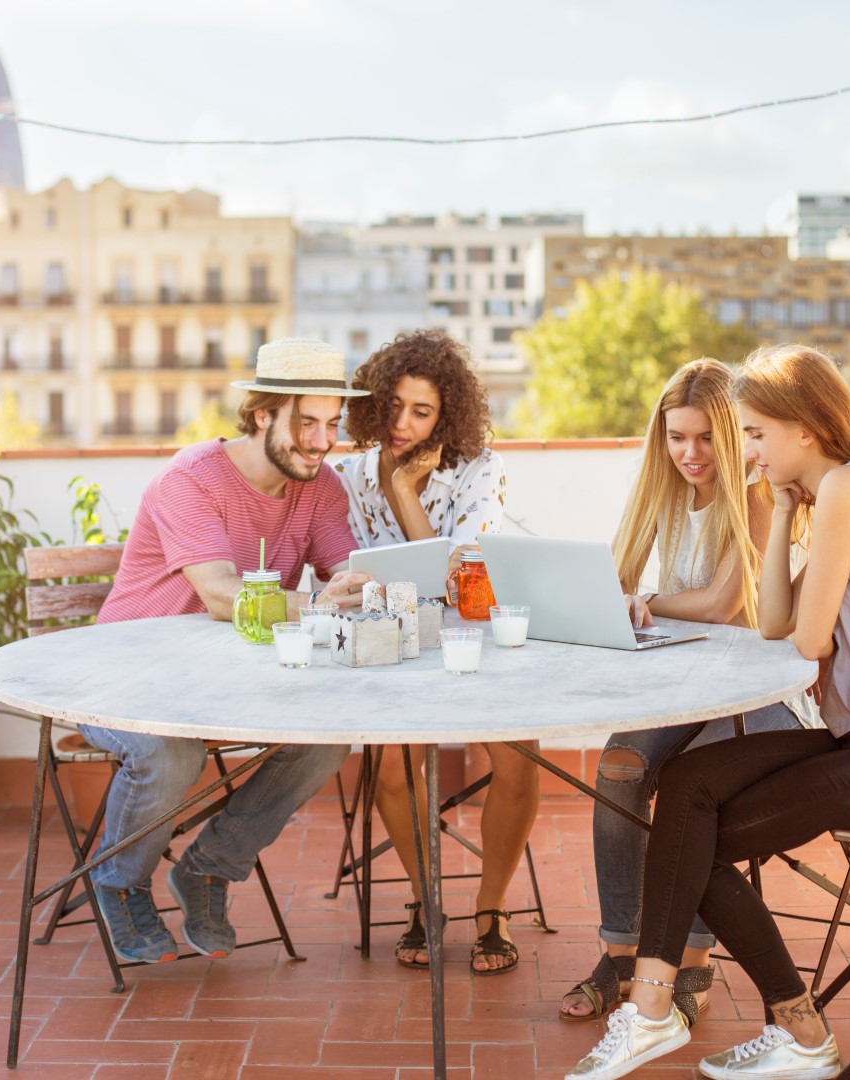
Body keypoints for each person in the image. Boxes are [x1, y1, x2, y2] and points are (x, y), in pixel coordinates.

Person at [564, 344, 850, 1080]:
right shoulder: (832, 491)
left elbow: (808, 639)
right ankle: (678, 1015)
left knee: (693, 839)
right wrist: (779, 512)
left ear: (803, 427)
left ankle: (710, 1020)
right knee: (688, 790)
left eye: (752, 434)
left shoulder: (849, 487)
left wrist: (785, 506)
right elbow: (776, 621)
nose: (743, 451)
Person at [82, 338, 374, 964]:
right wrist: (325, 604)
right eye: (306, 423)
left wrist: (360, 580)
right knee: (170, 752)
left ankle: (209, 868)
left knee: (326, 738)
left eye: (331, 425)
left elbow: (341, 563)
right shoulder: (190, 480)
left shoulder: (318, 488)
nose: (322, 442)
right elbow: (220, 594)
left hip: (225, 683)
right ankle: (117, 879)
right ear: (263, 413)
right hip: (122, 676)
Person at [558, 358, 806, 1029]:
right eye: (676, 438)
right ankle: (619, 951)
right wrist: (608, 601)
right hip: (691, 688)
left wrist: (648, 602)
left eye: (703, 438)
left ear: (729, 436)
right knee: (619, 767)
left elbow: (725, 604)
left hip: (764, 698)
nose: (689, 454)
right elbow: (608, 584)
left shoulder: (757, 493)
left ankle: (693, 959)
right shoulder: (664, 492)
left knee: (693, 789)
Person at [332, 329, 535, 976]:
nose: (402, 424)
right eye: (392, 406)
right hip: (397, 644)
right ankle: (425, 898)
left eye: (421, 411)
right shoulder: (349, 476)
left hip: (476, 636)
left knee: (519, 759)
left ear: (447, 413)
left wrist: (404, 497)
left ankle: (491, 907)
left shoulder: (482, 471)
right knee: (391, 770)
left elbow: (462, 586)